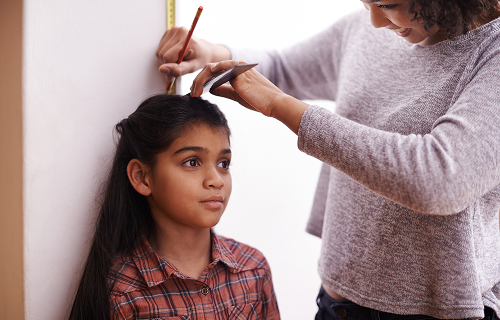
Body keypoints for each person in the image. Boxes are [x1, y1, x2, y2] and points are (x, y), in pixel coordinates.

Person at [156, 0, 500, 319]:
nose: (375, 22)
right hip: (337, 303)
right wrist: (212, 53)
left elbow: (439, 178)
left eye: (387, 5)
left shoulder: (491, 54)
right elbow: (282, 68)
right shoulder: (364, 29)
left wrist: (283, 108)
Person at [69, 94, 280, 320]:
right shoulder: (122, 292)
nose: (216, 180)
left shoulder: (254, 269)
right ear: (142, 177)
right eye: (192, 162)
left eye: (223, 163)